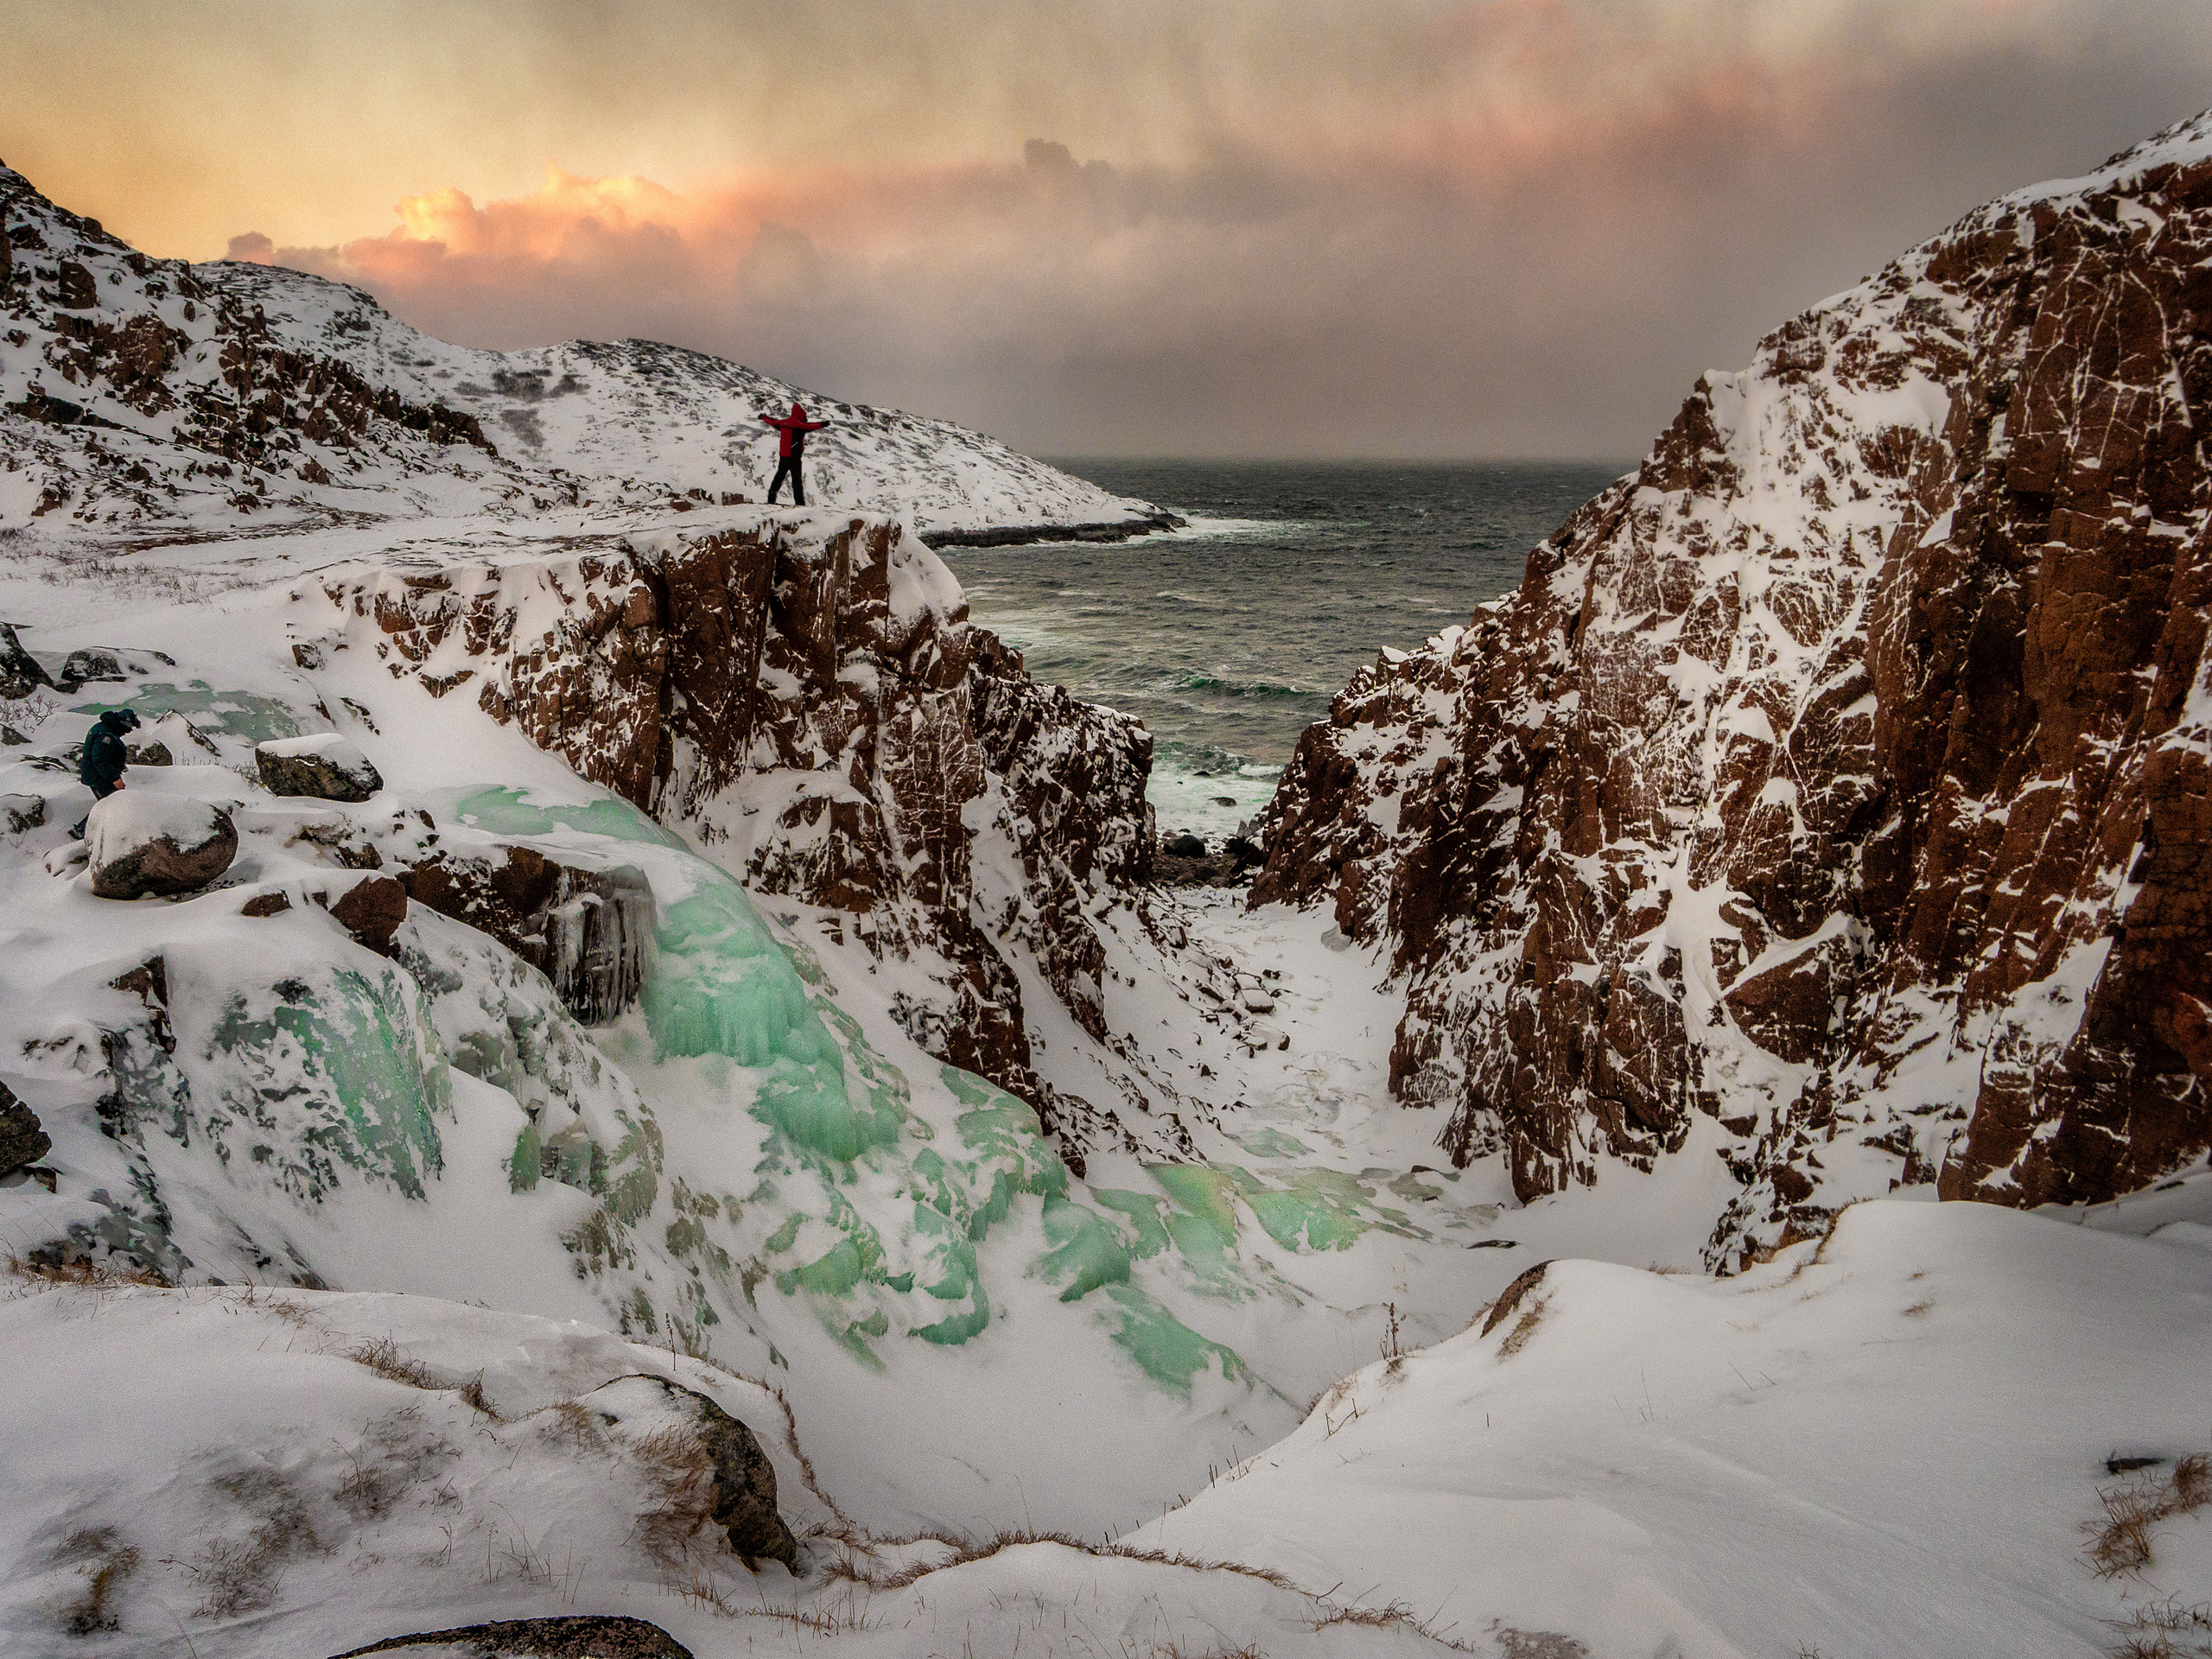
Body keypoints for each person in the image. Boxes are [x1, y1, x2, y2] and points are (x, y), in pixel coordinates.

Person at [71, 707, 139, 838]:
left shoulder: (104, 727)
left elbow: (103, 755)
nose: (129, 731)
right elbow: (99, 758)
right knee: (111, 804)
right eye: (129, 727)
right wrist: (114, 777)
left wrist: (117, 765)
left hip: (98, 774)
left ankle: (85, 830)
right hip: (98, 777)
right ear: (122, 724)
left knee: (107, 803)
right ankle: (82, 831)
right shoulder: (106, 735)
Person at [760, 401, 829, 505]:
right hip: (794, 458)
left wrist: (763, 417)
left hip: (783, 457)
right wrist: (822, 424)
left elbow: (772, 421)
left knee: (778, 478)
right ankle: (800, 503)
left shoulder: (782, 423)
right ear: (801, 415)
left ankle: (771, 499)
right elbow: (809, 426)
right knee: (797, 482)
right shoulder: (798, 424)